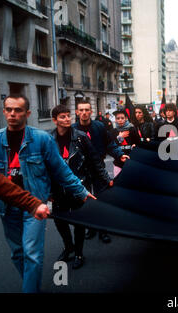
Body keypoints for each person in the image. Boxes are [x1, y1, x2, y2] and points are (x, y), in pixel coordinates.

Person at [0, 94, 94, 292]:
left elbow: (60, 168)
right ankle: (31, 283)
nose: (12, 114)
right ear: (3, 111)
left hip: (35, 206)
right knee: (17, 254)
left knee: (32, 254)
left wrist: (81, 190)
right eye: (8, 109)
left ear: (27, 113)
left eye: (18, 110)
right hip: (7, 207)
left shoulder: (41, 139)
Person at [50, 105, 111, 269]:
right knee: (60, 221)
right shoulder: (49, 139)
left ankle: (78, 252)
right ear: (54, 120)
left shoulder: (80, 137)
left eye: (68, 116)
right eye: (62, 117)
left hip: (79, 185)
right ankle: (68, 247)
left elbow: (95, 160)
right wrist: (48, 190)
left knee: (78, 222)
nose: (67, 119)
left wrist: (106, 178)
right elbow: (45, 166)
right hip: (58, 189)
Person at [73, 100, 129, 243]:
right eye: (81, 110)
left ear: (91, 111)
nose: (84, 113)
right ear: (77, 112)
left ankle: (103, 230)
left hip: (98, 168)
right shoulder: (72, 129)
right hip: (81, 171)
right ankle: (91, 227)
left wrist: (119, 154)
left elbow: (110, 144)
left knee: (102, 199)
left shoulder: (99, 126)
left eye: (87, 110)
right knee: (87, 200)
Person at [110, 110, 139, 175]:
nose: (120, 120)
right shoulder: (113, 131)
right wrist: (120, 137)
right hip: (118, 163)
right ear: (115, 120)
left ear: (126, 118)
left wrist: (135, 146)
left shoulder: (132, 129)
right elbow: (111, 146)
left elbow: (138, 142)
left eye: (122, 118)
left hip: (131, 161)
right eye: (118, 118)